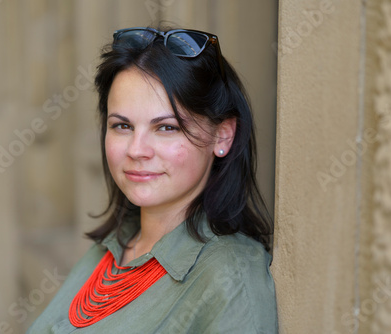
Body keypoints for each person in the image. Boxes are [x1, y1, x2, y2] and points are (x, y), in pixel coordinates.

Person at [28, 26, 278, 333]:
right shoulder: (109, 251)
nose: (136, 150)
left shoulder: (231, 277)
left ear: (222, 135)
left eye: (167, 128)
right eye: (122, 126)